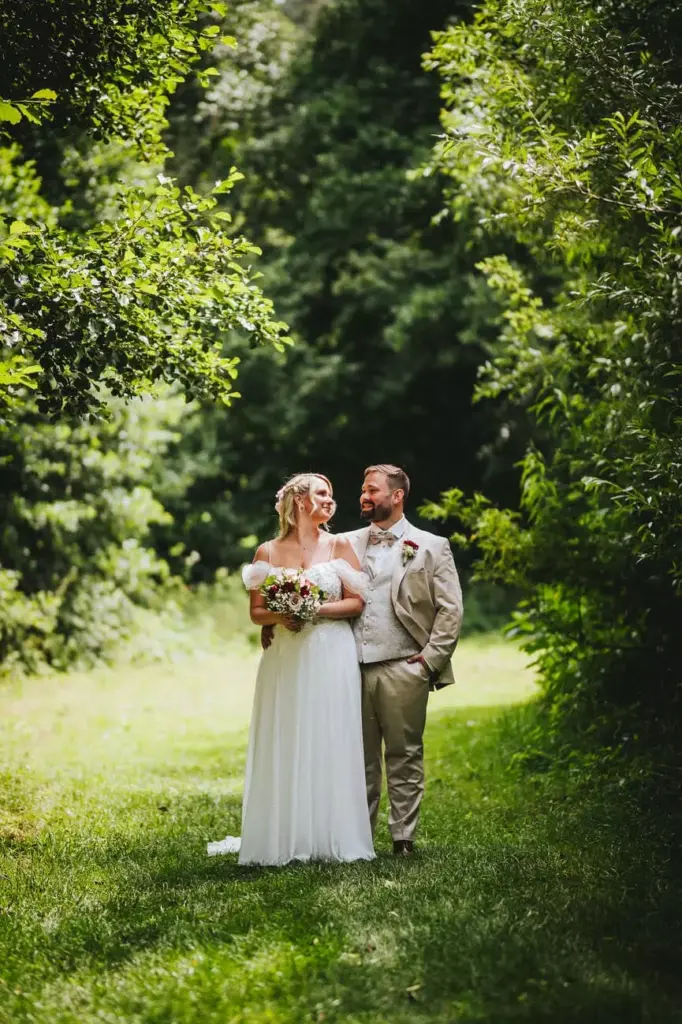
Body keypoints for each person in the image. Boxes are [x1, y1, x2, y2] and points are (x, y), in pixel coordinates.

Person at [207, 473, 375, 866]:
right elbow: (256, 613)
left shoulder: (340, 546)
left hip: (331, 652)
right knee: (288, 732)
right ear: (300, 500)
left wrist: (311, 609)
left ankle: (329, 835)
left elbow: (356, 603)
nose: (330, 501)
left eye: (331, 495)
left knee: (329, 733)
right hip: (285, 655)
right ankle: (284, 834)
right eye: (322, 494)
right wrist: (282, 617)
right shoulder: (266, 552)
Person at [345, 464, 463, 857]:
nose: (364, 495)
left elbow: (451, 610)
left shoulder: (431, 545)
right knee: (356, 758)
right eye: (363, 489)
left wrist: (429, 662)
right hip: (349, 668)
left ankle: (403, 839)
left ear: (397, 496)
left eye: (373, 490)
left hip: (403, 666)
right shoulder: (345, 543)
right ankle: (358, 839)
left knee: (403, 753)